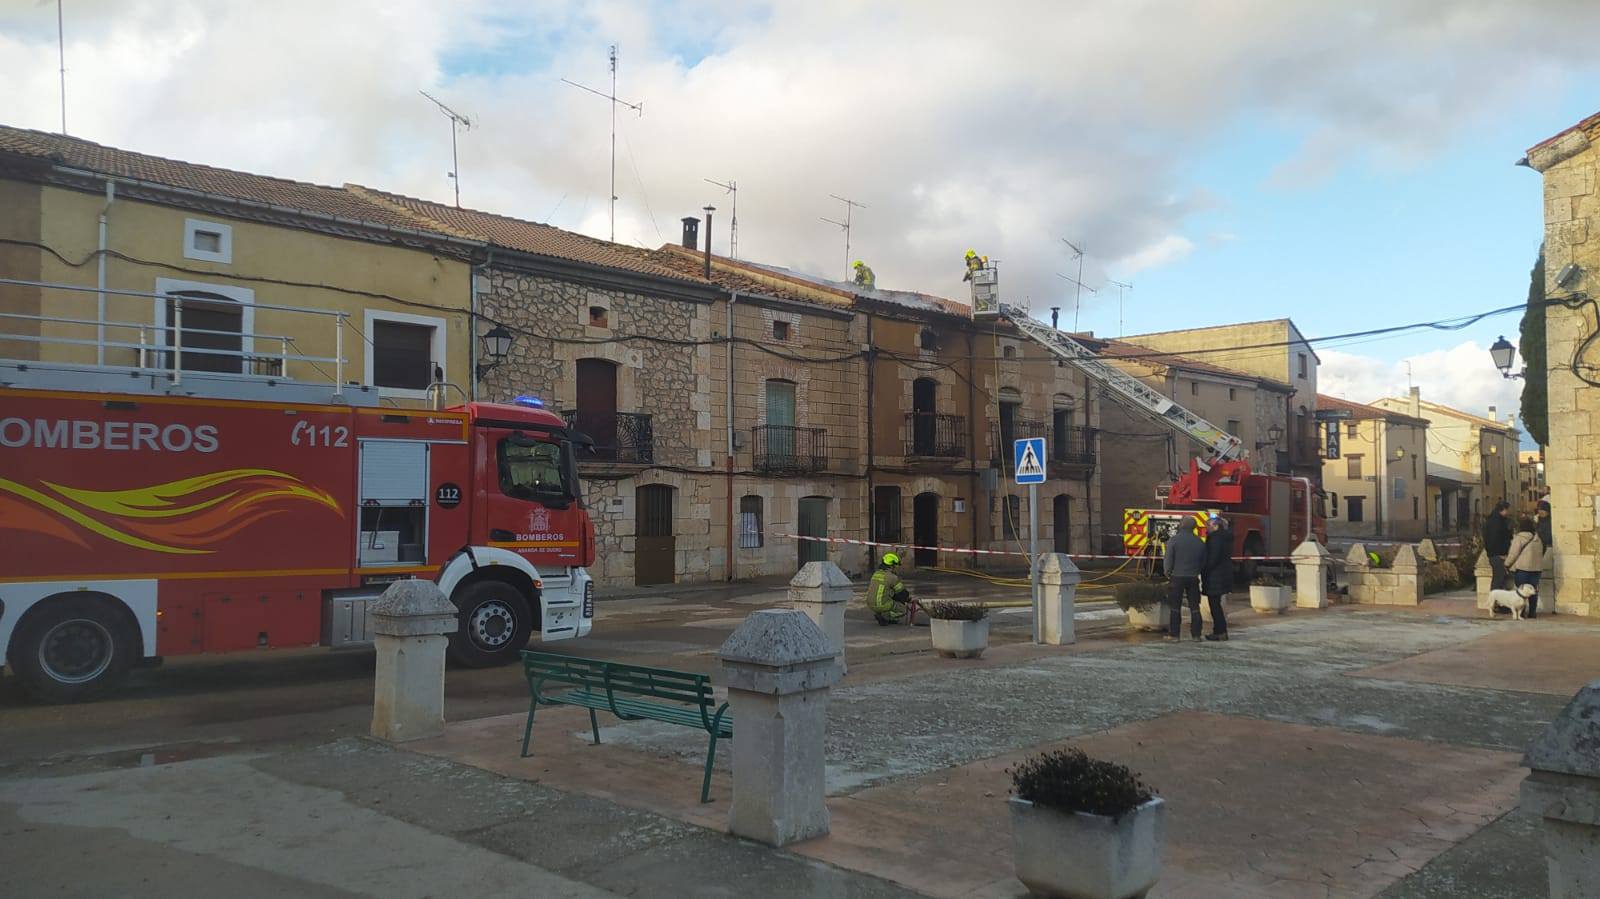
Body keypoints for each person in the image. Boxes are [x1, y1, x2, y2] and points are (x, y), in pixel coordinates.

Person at [1163, 517, 1206, 641]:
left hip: (1177, 577)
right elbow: (1203, 562)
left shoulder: (1174, 541)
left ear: (1181, 526)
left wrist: (1167, 573)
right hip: (1193, 577)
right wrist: (1196, 571)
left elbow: (1168, 560)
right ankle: (1196, 634)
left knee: (1175, 607)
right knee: (1195, 607)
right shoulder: (1199, 542)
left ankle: (1175, 635)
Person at [1201, 513, 1233, 641]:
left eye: (1208, 525)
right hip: (1223, 575)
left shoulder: (1215, 539)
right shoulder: (1225, 538)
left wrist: (1204, 568)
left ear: (1216, 526)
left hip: (1215, 576)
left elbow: (1213, 558)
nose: (1206, 528)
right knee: (1216, 604)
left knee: (1214, 606)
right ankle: (1220, 631)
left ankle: (1220, 631)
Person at [1507, 516, 1545, 618]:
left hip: (1522, 568)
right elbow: (1542, 551)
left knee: (1521, 592)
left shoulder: (1519, 538)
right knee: (1533, 591)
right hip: (1536, 568)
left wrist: (1507, 564)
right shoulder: (1538, 538)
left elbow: (1513, 553)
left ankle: (1521, 613)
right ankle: (1532, 612)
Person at [866, 552, 912, 625]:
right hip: (881, 604)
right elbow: (903, 593)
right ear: (891, 566)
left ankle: (883, 615)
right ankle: (885, 616)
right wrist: (907, 599)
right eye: (895, 567)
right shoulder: (892, 577)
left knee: (888, 598)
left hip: (870, 603)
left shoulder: (876, 573)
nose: (896, 569)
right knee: (903, 610)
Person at [1483, 501, 1513, 591]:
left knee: (1500, 577)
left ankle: (1498, 601)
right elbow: (1495, 538)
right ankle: (1494, 600)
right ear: (1503, 510)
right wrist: (1501, 552)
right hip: (1497, 554)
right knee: (1499, 577)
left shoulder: (1494, 520)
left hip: (1494, 553)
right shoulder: (1497, 522)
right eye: (1507, 510)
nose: (1508, 512)